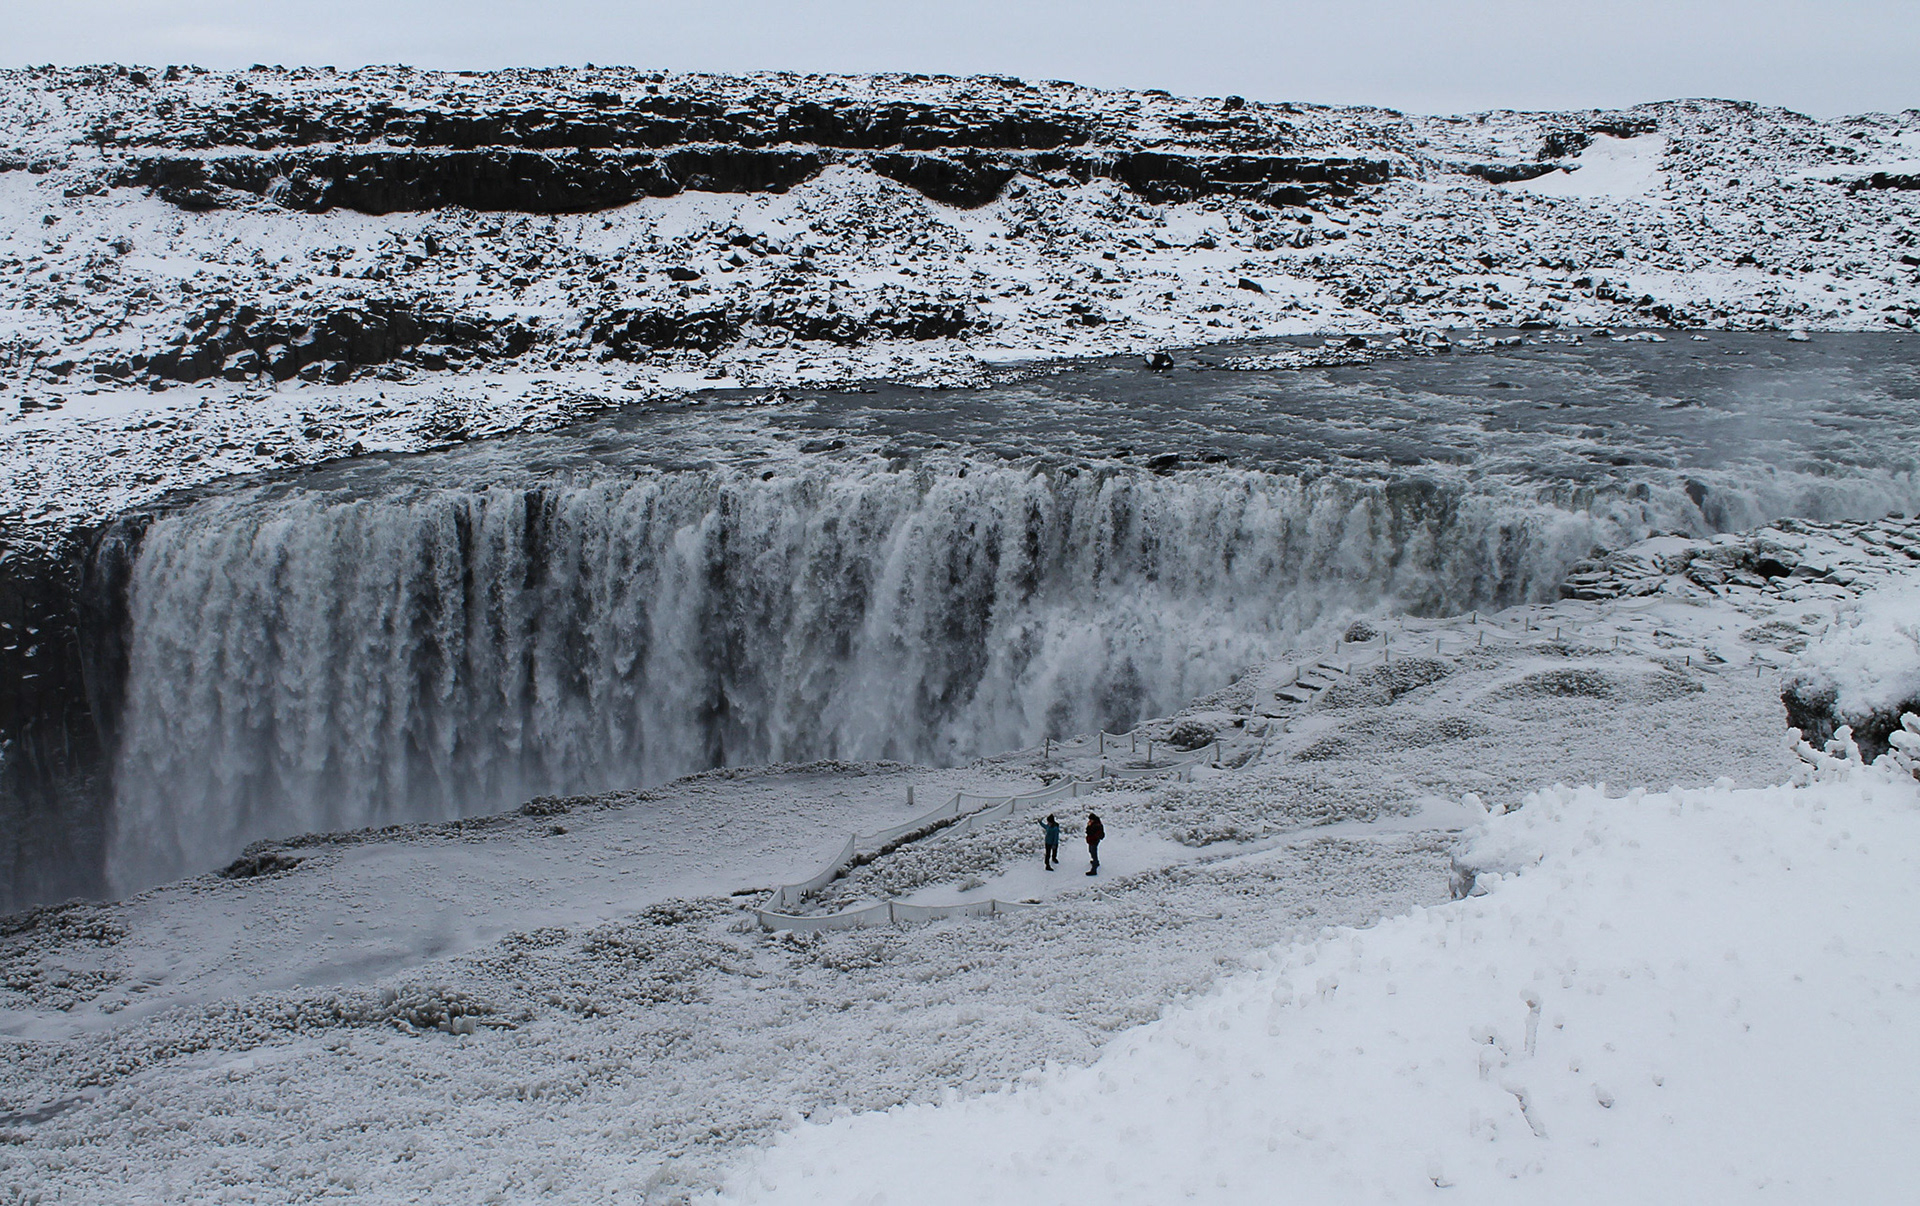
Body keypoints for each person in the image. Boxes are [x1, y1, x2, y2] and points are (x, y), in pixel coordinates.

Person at [1085, 811, 1104, 876]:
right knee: (1091, 851)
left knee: (1093, 853)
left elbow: (1089, 832)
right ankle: (1096, 862)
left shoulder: (1096, 825)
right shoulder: (1096, 823)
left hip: (1093, 841)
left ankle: (1094, 870)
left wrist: (1089, 826)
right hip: (1092, 840)